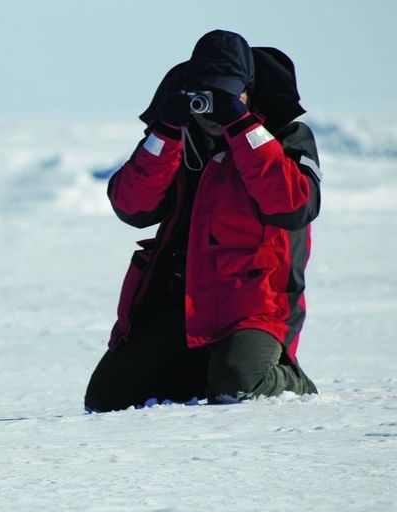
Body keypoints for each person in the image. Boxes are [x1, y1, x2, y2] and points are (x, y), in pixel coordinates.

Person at [84, 30, 321, 411]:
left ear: (249, 92)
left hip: (252, 302)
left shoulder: (285, 135)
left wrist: (241, 127)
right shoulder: (176, 134)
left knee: (239, 386)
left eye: (228, 94)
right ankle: (208, 370)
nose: (213, 109)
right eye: (207, 94)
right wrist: (164, 131)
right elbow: (132, 207)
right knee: (107, 399)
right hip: (177, 297)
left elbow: (293, 205)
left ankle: (292, 380)